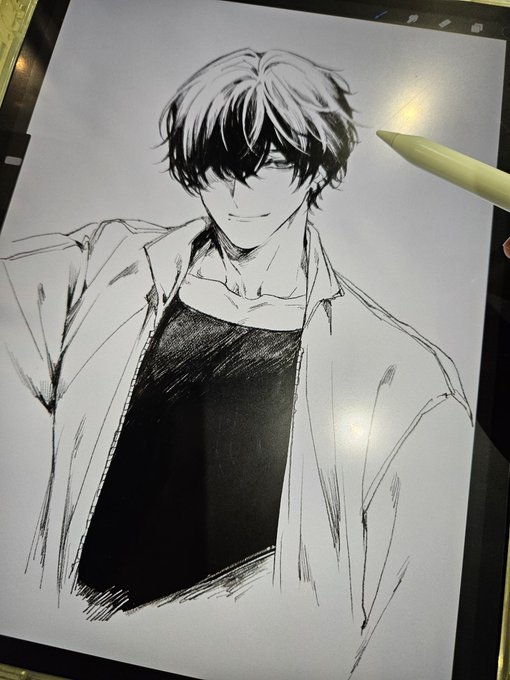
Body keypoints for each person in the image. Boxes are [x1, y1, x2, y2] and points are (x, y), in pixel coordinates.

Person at [0, 48, 472, 673]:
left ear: (314, 169)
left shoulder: (400, 374)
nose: (238, 191)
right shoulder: (103, 267)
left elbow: (414, 610)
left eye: (270, 164)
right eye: (218, 165)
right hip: (61, 642)